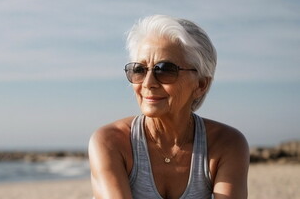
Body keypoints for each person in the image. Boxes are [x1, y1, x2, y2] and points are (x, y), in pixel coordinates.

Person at [89, 15, 249, 199]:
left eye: (164, 69)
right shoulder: (110, 142)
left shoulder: (226, 144)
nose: (148, 83)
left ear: (200, 85)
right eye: (139, 70)